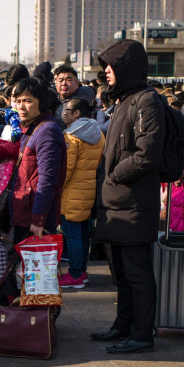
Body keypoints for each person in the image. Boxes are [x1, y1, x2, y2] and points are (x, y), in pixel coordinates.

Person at [90, 39, 165, 354]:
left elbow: (148, 154)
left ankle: (141, 333)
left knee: (137, 273)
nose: (106, 72)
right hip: (114, 204)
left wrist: (115, 174)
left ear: (126, 67)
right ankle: (122, 324)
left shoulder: (146, 101)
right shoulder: (123, 100)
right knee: (120, 273)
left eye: (111, 66)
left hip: (133, 203)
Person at [0, 77, 67, 244]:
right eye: (18, 101)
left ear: (42, 102)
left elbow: (48, 180)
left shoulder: (47, 131)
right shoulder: (31, 128)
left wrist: (38, 220)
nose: (21, 106)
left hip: (34, 219)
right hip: (24, 214)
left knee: (37, 269)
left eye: (27, 101)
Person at [59, 97, 105, 289]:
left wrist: (55, 190)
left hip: (72, 193)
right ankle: (81, 272)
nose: (63, 113)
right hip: (89, 192)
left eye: (67, 110)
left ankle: (76, 275)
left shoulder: (72, 137)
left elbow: (65, 169)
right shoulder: (97, 133)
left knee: (73, 236)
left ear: (77, 113)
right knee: (83, 234)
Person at [54, 65, 97, 130]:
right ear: (56, 83)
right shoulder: (53, 99)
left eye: (68, 80)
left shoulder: (81, 99)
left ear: (77, 83)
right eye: (60, 80)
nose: (64, 83)